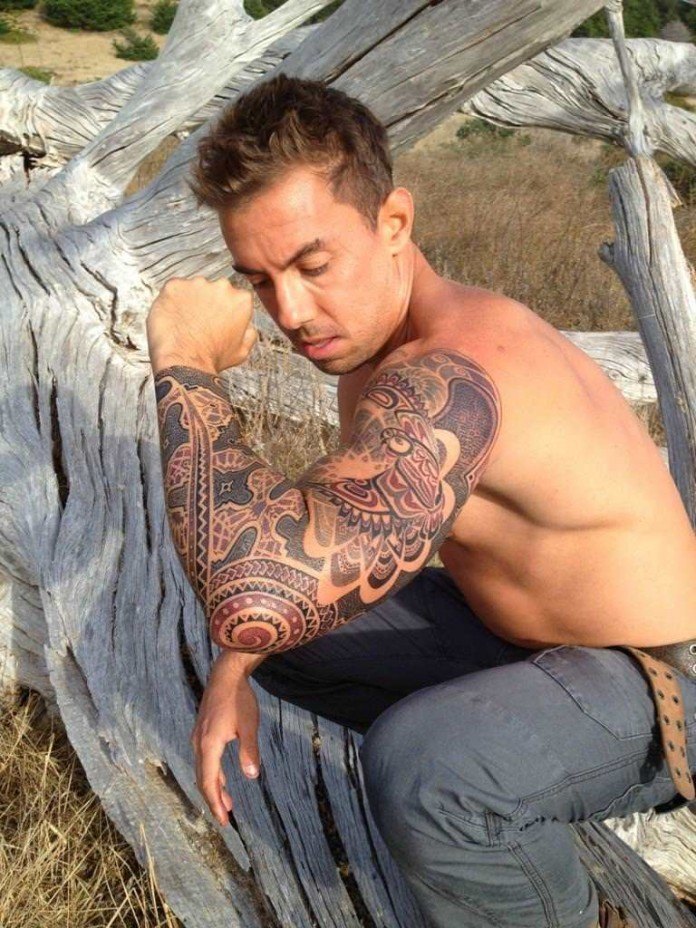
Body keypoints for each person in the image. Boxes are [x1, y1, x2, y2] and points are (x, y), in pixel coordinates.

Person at [145, 73, 696, 928]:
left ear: (394, 223)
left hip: (666, 680)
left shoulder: (459, 370)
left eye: (313, 265)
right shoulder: (374, 353)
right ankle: (494, 790)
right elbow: (309, 557)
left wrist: (182, 357)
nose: (291, 311)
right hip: (525, 641)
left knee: (428, 770)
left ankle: (534, 865)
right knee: (278, 635)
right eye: (259, 280)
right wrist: (234, 667)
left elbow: (255, 587)